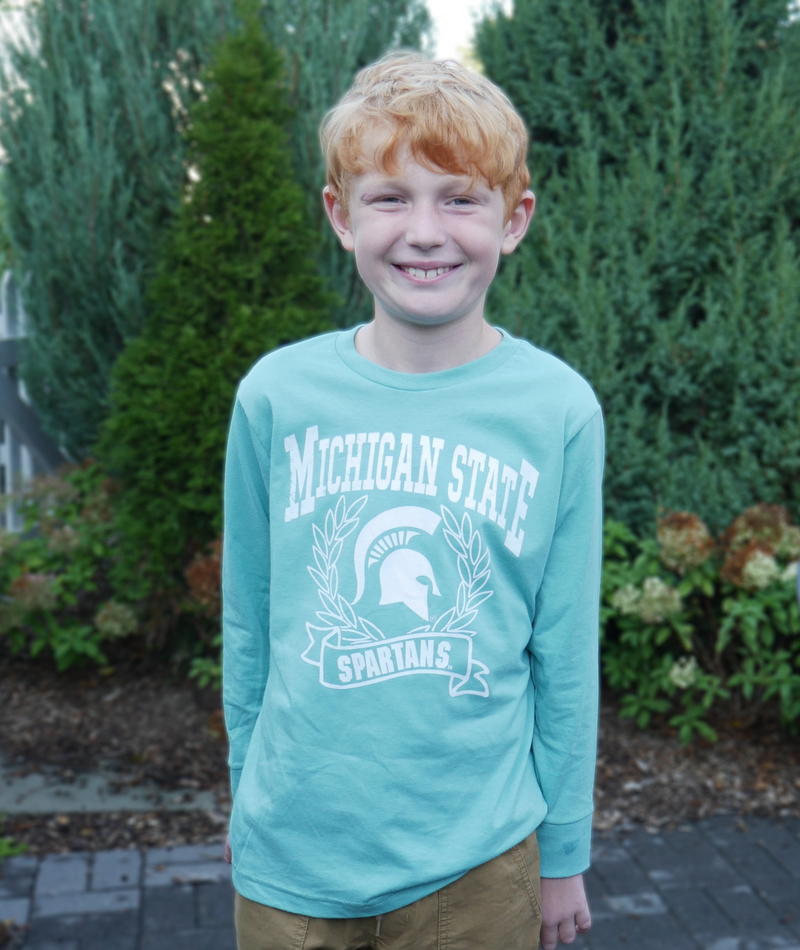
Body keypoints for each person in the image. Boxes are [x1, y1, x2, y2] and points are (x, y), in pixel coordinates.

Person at [222, 52, 603, 950]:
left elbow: (565, 651)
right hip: (293, 856)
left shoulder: (557, 410)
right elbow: (251, 620)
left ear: (514, 221)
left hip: (477, 861)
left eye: (460, 198)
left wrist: (564, 852)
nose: (424, 231)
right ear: (339, 215)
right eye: (390, 197)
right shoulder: (277, 396)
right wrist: (245, 793)